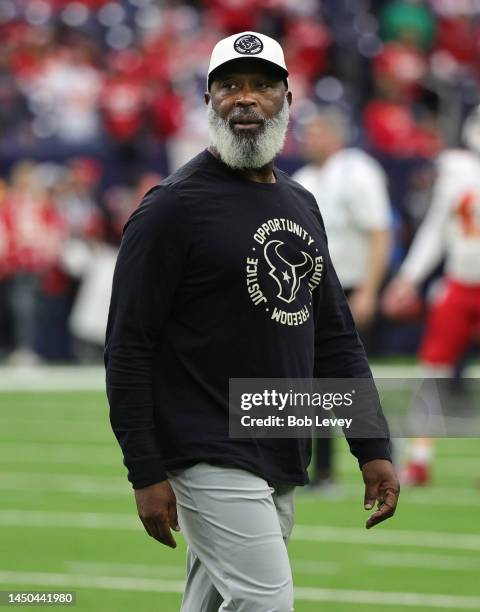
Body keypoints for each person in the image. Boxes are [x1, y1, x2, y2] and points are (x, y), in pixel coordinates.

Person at [105, 31, 400, 612]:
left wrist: (372, 446)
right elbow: (128, 348)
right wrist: (144, 469)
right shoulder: (170, 208)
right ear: (208, 101)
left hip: (280, 443)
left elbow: (334, 338)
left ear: (287, 99)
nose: (246, 99)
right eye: (230, 86)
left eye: (262, 86)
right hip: (206, 448)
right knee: (267, 604)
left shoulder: (301, 202)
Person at [293, 109, 392, 490]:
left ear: (336, 135)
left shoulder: (359, 171)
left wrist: (369, 289)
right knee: (313, 384)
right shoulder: (302, 179)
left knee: (349, 382)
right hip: (308, 291)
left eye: (317, 131)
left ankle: (383, 457)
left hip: (349, 286)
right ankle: (323, 472)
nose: (309, 139)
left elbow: (380, 233)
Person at [382, 105, 480, 486]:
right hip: (458, 283)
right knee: (432, 371)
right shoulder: (457, 169)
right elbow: (436, 229)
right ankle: (419, 459)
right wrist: (408, 278)